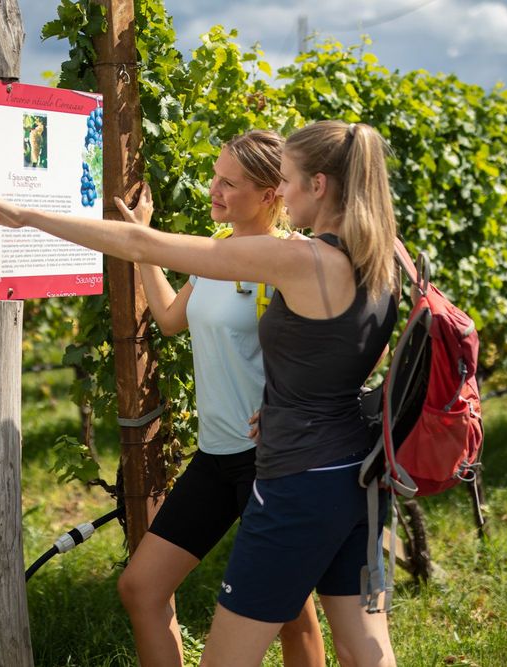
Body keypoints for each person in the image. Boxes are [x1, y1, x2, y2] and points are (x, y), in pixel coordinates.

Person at [0, 119, 399, 666]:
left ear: (319, 185)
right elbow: (367, 353)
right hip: (356, 472)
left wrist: (26, 215)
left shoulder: (297, 258)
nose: (282, 193)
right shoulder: (384, 255)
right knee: (364, 651)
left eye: (286, 180)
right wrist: (301, 402)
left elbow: (144, 243)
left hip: (297, 476)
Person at [115, 129, 325, 667]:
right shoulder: (217, 251)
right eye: (215, 176)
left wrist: (290, 407)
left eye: (229, 183)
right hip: (215, 457)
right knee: (141, 589)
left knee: (292, 616)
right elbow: (170, 319)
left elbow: (342, 350)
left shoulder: (290, 261)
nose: (214, 189)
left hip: (270, 463)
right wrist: (143, 242)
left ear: (270, 194)